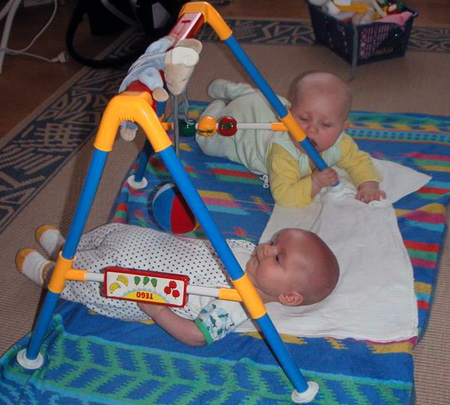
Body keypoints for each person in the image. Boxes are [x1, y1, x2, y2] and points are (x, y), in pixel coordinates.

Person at [16, 223, 339, 346]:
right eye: (273, 241)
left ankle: (51, 275)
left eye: (278, 257)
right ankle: (65, 248)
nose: (266, 248)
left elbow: (196, 335)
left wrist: (157, 310)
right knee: (106, 235)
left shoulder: (238, 306)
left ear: (289, 296)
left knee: (91, 277)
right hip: (149, 244)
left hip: (135, 282)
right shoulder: (249, 251)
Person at [195, 72, 386, 208]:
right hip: (242, 121)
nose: (311, 129)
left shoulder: (340, 143)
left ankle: (234, 90)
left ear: (343, 128)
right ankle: (216, 108)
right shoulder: (283, 152)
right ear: (288, 115)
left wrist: (368, 184)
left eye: (326, 124)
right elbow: (284, 196)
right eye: (303, 119)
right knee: (207, 143)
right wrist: (314, 183)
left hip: (261, 104)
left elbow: (358, 161)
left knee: (263, 98)